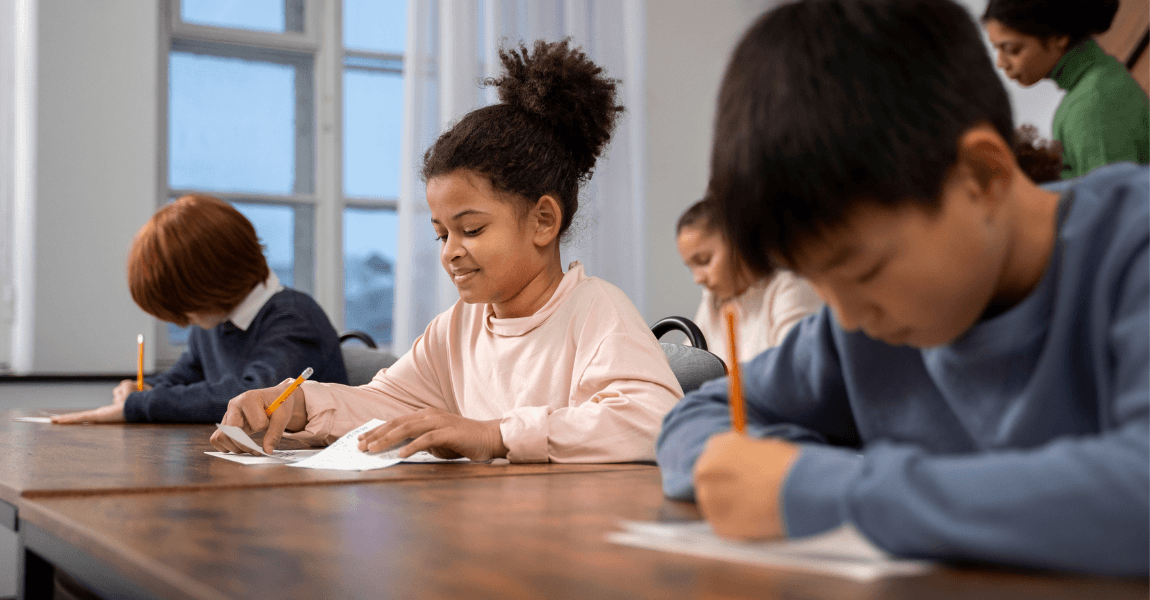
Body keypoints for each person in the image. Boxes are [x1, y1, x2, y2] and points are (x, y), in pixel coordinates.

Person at [657, 0, 1147, 576]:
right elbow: (700, 415)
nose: (847, 318)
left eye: (862, 271)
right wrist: (752, 468)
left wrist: (835, 491)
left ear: (982, 178)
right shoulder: (857, 327)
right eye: (818, 283)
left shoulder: (1129, 247)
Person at [210, 40, 683, 463]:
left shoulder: (595, 312)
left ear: (543, 221)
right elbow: (389, 405)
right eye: (442, 235)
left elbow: (652, 421)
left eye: (471, 229)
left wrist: (496, 435)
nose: (451, 253)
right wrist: (296, 405)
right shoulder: (457, 328)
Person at [52, 194, 348, 424]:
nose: (182, 321)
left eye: (185, 306)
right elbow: (184, 377)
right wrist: (144, 389)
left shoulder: (294, 317)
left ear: (214, 282)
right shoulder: (217, 321)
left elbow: (251, 398)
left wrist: (141, 405)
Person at [983, 0, 1149, 179]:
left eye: (1011, 49)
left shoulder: (1089, 107)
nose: (1001, 63)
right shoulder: (1101, 77)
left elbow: (1117, 202)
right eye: (996, 49)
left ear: (1058, 37)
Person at [676, 196, 822, 365]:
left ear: (739, 241)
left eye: (704, 260)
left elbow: (792, 368)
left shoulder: (790, 284)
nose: (698, 278)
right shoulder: (712, 299)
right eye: (690, 267)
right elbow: (685, 366)